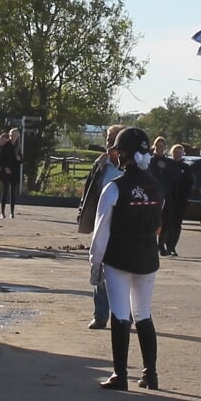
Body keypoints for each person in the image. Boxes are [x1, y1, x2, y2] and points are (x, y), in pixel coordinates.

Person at [88, 126, 164, 391]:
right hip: (147, 257)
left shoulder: (114, 188)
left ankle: (120, 375)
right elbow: (158, 225)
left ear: (124, 154)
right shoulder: (156, 187)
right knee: (143, 313)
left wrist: (95, 263)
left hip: (119, 258)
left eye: (118, 151)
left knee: (120, 313)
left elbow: (101, 233)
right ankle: (150, 374)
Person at [75, 124, 125, 330]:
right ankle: (100, 314)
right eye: (107, 139)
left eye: (112, 139)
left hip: (124, 226)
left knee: (123, 270)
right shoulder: (102, 165)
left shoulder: (132, 167)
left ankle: (122, 314)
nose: (108, 143)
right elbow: (90, 191)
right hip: (102, 222)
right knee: (99, 266)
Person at [158, 143, 195, 257]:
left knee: (177, 224)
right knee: (166, 223)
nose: (177, 155)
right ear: (171, 153)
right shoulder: (168, 164)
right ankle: (161, 246)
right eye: (175, 152)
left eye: (179, 152)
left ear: (183, 154)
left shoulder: (186, 168)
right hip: (169, 198)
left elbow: (190, 183)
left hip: (181, 200)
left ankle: (172, 247)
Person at [0, 129, 23, 217]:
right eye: (11, 135)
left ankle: (12, 212)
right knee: (5, 190)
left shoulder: (18, 146)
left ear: (18, 136)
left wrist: (19, 159)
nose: (12, 137)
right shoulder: (4, 145)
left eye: (14, 135)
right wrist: (4, 167)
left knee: (13, 192)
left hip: (14, 171)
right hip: (5, 170)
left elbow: (21, 159)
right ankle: (2, 212)